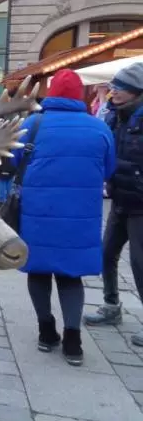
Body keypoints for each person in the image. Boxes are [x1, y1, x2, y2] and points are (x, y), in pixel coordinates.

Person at [13, 69, 115, 365]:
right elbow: (108, 169)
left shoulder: (33, 124)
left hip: (38, 213)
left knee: (38, 271)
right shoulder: (98, 127)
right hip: (80, 215)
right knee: (71, 276)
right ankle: (73, 341)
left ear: (52, 93)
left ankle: (46, 332)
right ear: (79, 95)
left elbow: (14, 160)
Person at [84, 62, 143, 348]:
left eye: (120, 88)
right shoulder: (114, 117)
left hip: (141, 204)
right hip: (120, 198)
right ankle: (111, 305)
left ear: (136, 91)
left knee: (140, 263)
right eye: (113, 86)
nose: (113, 91)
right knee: (106, 254)